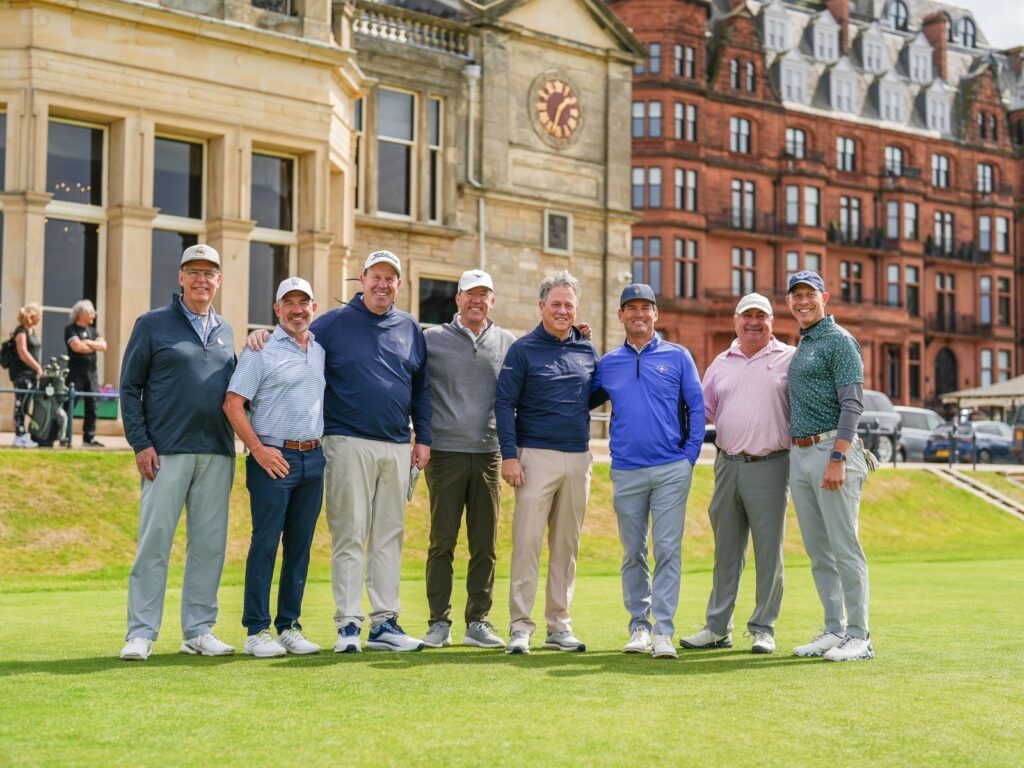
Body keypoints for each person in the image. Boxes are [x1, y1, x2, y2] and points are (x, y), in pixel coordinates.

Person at [248, 250, 431, 652]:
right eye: (376, 276)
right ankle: (348, 623)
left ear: (399, 284)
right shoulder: (331, 323)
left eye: (391, 278)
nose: (383, 284)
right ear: (362, 279)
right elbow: (294, 333)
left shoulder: (410, 328)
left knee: (389, 536)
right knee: (350, 533)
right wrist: (261, 333)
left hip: (398, 444)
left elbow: (421, 388)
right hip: (347, 441)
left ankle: (385, 623)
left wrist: (425, 439)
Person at [118, 244, 236, 661]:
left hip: (218, 452)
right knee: (155, 543)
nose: (202, 279)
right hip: (165, 451)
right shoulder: (152, 324)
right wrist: (140, 442)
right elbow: (130, 387)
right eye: (194, 271)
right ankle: (140, 633)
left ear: (219, 281)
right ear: (181, 277)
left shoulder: (227, 330)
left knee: (208, 545)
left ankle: (198, 630)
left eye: (210, 273)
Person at [590, 284, 704, 659]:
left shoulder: (678, 356)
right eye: (631, 308)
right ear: (620, 315)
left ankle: (663, 632)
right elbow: (579, 398)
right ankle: (639, 626)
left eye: (646, 307)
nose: (638, 314)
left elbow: (697, 408)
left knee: (668, 550)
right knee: (633, 553)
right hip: (627, 470)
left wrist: (688, 457)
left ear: (656, 314)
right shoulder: (607, 363)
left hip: (672, 469)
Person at [680, 293, 795, 655]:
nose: (754, 322)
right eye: (747, 316)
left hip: (771, 465)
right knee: (726, 551)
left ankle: (763, 627)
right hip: (727, 465)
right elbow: (704, 411)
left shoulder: (789, 359)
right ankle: (717, 627)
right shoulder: (720, 362)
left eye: (761, 316)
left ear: (772, 322)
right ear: (735, 321)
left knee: (768, 553)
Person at [495, 271, 598, 655]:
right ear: (541, 307)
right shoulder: (522, 350)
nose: (562, 310)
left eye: (568, 305)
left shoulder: (586, 349)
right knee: (526, 544)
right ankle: (520, 627)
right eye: (555, 304)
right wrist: (509, 455)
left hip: (578, 457)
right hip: (534, 458)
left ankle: (559, 626)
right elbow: (504, 403)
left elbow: (595, 393)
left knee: (566, 547)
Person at [223, 277, 326, 658]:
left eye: (304, 302)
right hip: (272, 459)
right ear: (277, 309)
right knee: (265, 544)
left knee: (299, 547)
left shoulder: (318, 350)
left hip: (313, 458)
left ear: (313, 308)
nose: (297, 309)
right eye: (290, 302)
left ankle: (289, 626)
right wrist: (258, 450)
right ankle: (255, 631)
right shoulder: (260, 349)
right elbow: (233, 403)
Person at [421, 269, 516, 650]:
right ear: (457, 299)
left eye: (484, 294)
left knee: (484, 544)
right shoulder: (431, 340)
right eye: (470, 294)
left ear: (492, 301)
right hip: (444, 453)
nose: (477, 300)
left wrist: (577, 336)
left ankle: (477, 621)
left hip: (489, 453)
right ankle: (437, 622)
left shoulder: (507, 342)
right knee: (442, 542)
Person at [785, 270, 874, 662]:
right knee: (819, 550)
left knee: (844, 546)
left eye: (809, 294)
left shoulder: (839, 341)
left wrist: (838, 457)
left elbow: (853, 403)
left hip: (831, 452)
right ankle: (834, 629)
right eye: (796, 295)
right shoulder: (805, 342)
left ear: (825, 298)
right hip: (801, 454)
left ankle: (860, 635)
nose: (802, 301)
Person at [65, 299, 108, 447]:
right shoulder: (70, 329)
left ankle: (89, 438)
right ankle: (65, 435)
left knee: (92, 405)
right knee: (70, 404)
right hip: (76, 373)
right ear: (82, 314)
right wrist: (93, 345)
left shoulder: (93, 330)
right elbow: (77, 347)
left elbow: (104, 346)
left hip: (92, 374)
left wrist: (87, 343)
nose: (94, 316)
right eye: (91, 313)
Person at [8, 303, 44, 448]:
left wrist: (36, 370)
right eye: (39, 314)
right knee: (20, 404)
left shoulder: (31, 331)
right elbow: (23, 353)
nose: (41, 317)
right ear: (31, 315)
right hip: (21, 374)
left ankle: (23, 435)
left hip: (30, 375)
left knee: (25, 404)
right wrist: (37, 367)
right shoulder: (21, 331)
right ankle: (19, 436)